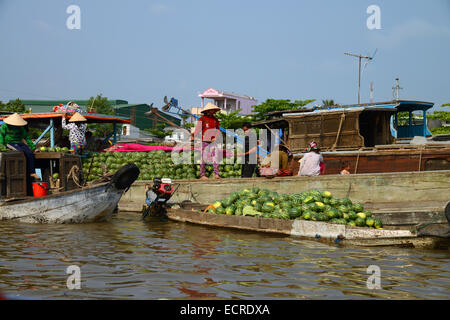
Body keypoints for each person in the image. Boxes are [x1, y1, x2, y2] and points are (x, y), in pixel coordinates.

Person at [0, 113, 40, 180]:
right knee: (20, 152)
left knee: (29, 153)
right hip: (9, 143)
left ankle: (32, 172)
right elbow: (1, 137)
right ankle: (22, 171)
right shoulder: (4, 127)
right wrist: (2, 146)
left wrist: (33, 148)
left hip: (19, 143)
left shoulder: (20, 128)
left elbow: (27, 138)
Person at [191, 103, 221, 180]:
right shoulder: (202, 119)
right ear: (208, 110)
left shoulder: (215, 120)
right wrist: (193, 135)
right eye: (212, 110)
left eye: (214, 110)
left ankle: (216, 174)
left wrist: (216, 138)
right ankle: (202, 175)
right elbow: (198, 129)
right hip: (205, 141)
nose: (214, 111)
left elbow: (218, 130)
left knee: (216, 158)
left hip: (213, 141)